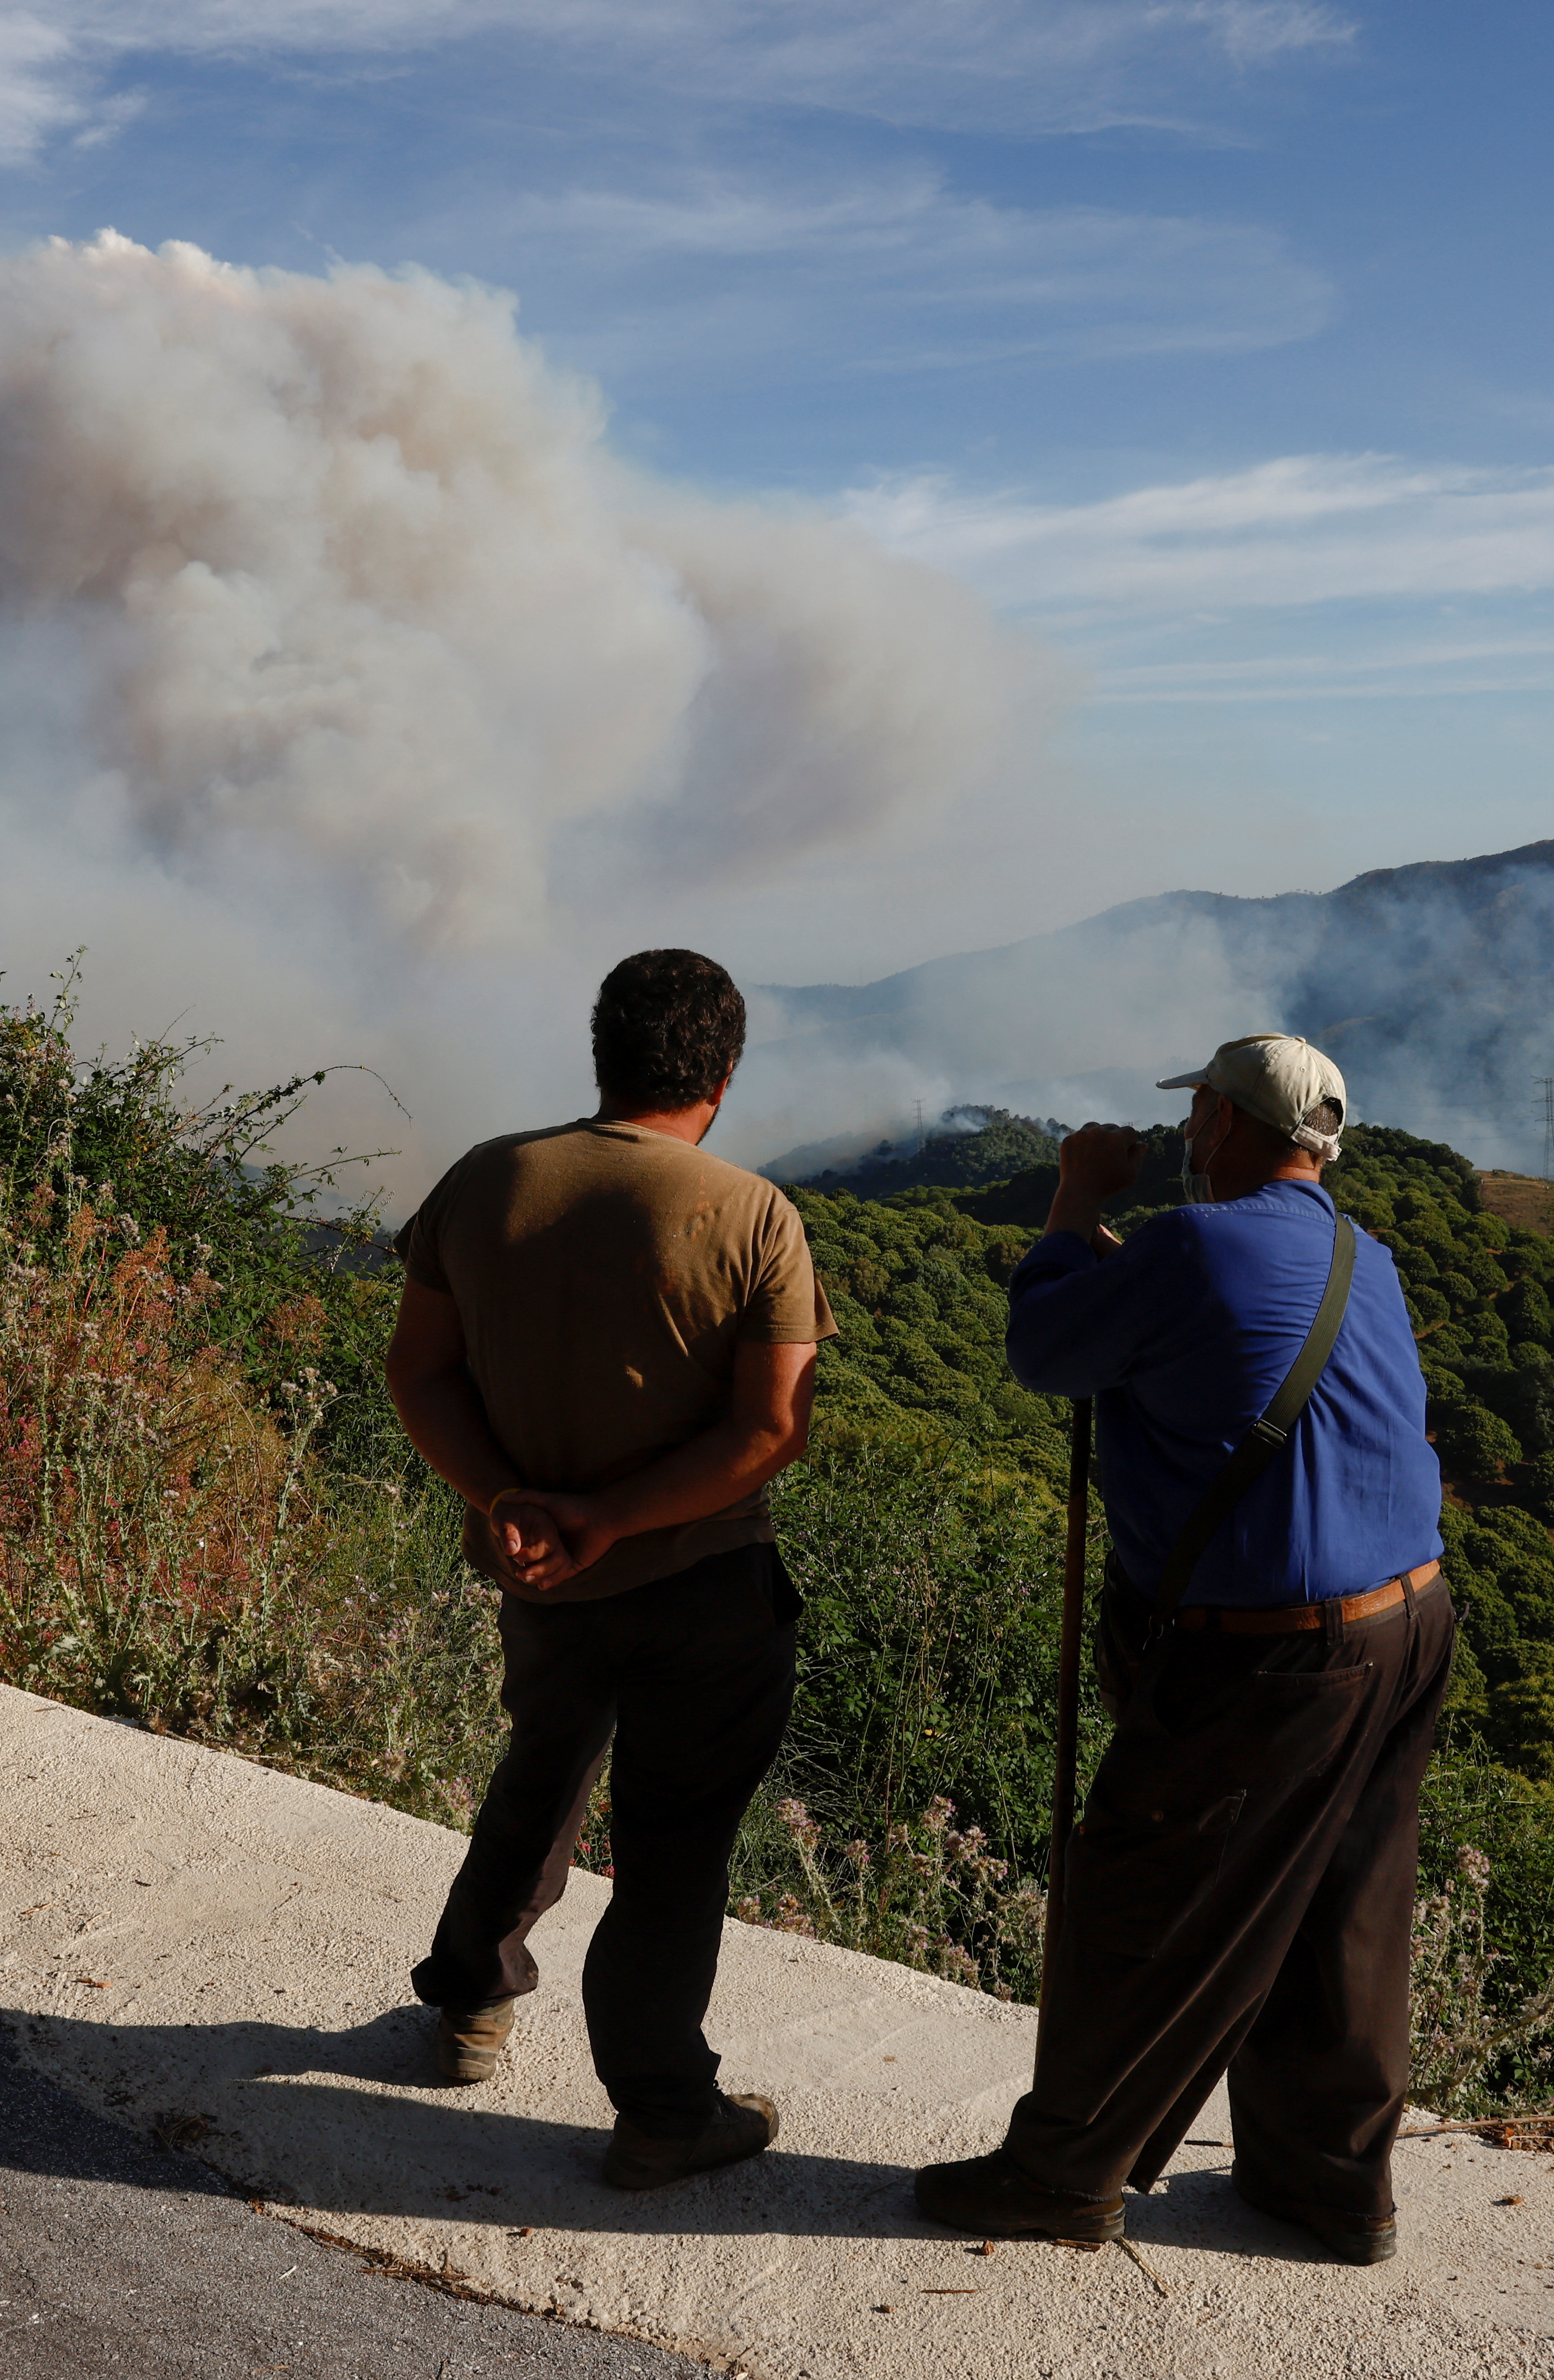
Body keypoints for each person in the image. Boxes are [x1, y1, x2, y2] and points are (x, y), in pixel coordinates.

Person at [914, 1034, 1450, 2263]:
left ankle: (1062, 2176)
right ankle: (1325, 2186)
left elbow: (1043, 1352)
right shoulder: (1365, 1257)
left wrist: (1072, 1200)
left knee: (1141, 1892)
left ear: (1214, 1121)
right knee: (1342, 1912)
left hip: (1274, 1655)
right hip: (1409, 1622)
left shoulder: (1194, 1242)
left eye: (1198, 1112)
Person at [385, 949, 833, 2191]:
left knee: (538, 1772)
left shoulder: (484, 1181)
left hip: (536, 1575)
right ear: (723, 1077)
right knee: (674, 1846)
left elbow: (417, 1373)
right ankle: (659, 2108)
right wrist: (610, 1517)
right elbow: (766, 1433)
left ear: (602, 1054)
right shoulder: (749, 1216)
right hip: (698, 1585)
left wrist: (515, 1506)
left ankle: (471, 1999)